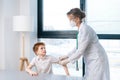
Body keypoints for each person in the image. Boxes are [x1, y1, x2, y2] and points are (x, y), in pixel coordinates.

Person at [59, 8, 110, 80]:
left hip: (97, 59)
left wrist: (67, 61)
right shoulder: (81, 29)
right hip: (92, 60)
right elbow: (77, 46)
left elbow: (80, 51)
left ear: (77, 19)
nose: (70, 22)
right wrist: (67, 56)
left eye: (70, 19)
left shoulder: (85, 29)